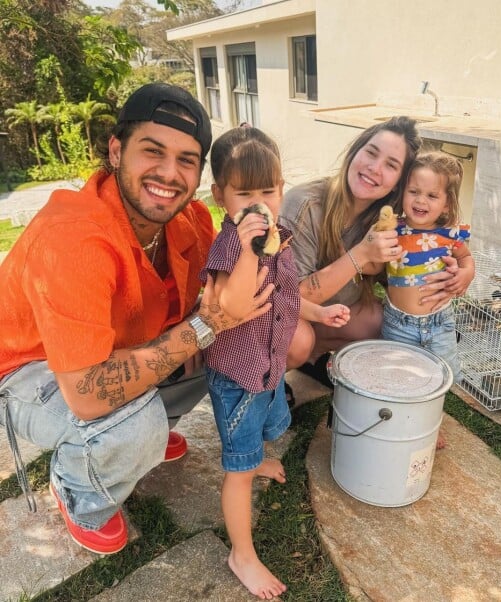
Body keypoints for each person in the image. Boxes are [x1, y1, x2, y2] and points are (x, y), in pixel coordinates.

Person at [0, 83, 273, 556]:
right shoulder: (73, 238)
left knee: (231, 349)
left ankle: (137, 436)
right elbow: (85, 394)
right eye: (152, 151)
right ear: (116, 149)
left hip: (115, 351)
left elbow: (223, 305)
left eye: (187, 159)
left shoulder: (189, 220)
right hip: (27, 370)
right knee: (135, 425)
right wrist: (203, 327)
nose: (169, 173)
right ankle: (79, 492)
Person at [201, 126, 350, 600]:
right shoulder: (230, 247)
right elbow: (233, 303)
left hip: (268, 367)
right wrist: (248, 249)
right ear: (219, 195)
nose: (258, 202)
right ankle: (240, 553)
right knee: (238, 465)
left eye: (268, 190)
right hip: (237, 378)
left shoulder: (279, 237)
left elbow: (285, 292)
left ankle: (255, 457)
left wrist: (319, 311)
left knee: (270, 425)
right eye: (243, 193)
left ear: (282, 190)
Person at [279, 117, 474, 382]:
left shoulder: (387, 219)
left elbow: (401, 270)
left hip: (335, 314)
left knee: (379, 321)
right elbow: (291, 297)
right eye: (371, 153)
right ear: (354, 151)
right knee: (297, 339)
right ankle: (269, 381)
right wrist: (362, 254)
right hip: (284, 313)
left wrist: (454, 275)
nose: (374, 168)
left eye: (391, 165)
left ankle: (315, 359)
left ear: (398, 182)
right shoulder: (304, 205)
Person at [380, 151, 473, 383]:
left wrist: (467, 273)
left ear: (446, 204)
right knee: (397, 379)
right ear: (403, 192)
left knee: (445, 378)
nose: (421, 200)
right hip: (398, 324)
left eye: (432, 195)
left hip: (440, 322)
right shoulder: (393, 230)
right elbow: (373, 261)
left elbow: (466, 258)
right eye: (414, 192)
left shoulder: (450, 235)